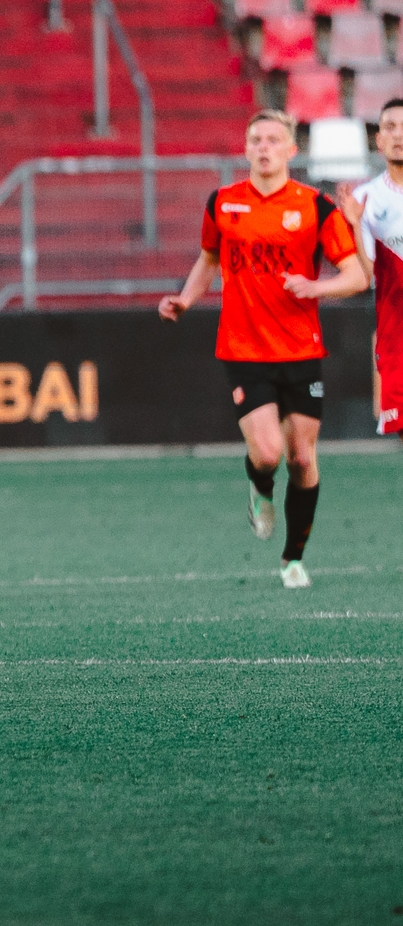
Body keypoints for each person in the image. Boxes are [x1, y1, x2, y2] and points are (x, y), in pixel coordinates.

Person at [158, 107, 365, 588]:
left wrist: (318, 288)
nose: (263, 147)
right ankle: (259, 486)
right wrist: (187, 299)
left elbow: (356, 276)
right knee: (269, 453)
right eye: (256, 140)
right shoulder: (224, 203)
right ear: (246, 148)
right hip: (243, 348)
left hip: (301, 349)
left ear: (292, 150)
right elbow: (209, 256)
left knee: (303, 458)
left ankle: (293, 558)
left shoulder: (315, 207)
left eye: (273, 139)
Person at [335, 96, 403, 435]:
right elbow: (367, 275)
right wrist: (353, 225)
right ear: (378, 140)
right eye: (390, 127)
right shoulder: (365, 199)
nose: (399, 135)